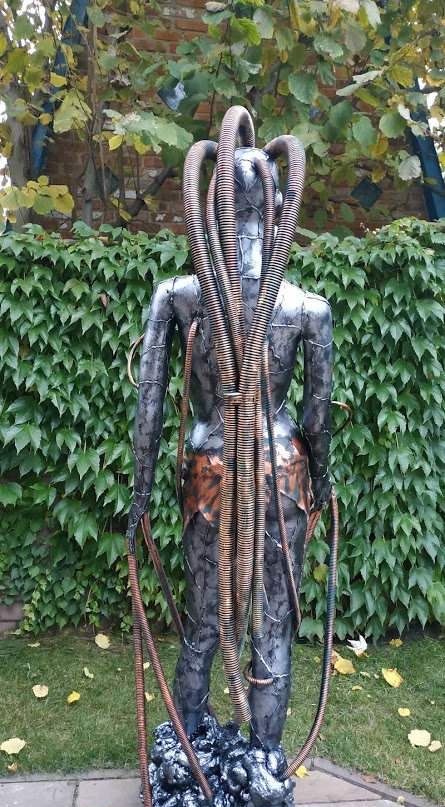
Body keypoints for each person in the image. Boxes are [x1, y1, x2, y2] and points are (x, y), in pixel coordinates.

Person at [127, 144, 333, 753]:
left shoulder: (177, 295)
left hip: (207, 472)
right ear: (275, 207)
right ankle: (262, 765)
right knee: (272, 628)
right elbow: (316, 419)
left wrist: (141, 492)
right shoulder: (307, 309)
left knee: (202, 624)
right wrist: (321, 481)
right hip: (284, 474)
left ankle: (189, 753)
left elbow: (149, 406)